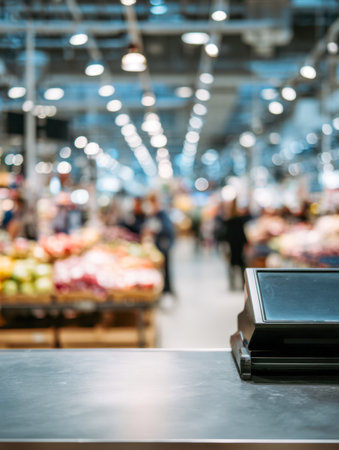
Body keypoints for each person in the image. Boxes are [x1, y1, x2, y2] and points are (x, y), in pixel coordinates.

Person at [143, 193, 175, 295]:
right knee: (163, 268)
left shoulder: (162, 214)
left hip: (164, 245)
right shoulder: (154, 215)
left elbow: (167, 229)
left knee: (166, 268)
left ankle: (168, 289)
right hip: (158, 245)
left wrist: (153, 231)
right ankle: (165, 288)